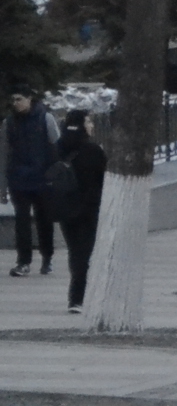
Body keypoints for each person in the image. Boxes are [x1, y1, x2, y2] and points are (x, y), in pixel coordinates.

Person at [52, 110, 105, 314]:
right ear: (82, 125)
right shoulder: (93, 150)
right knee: (84, 253)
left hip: (65, 209)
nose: (92, 125)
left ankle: (77, 296)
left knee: (75, 251)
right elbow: (103, 179)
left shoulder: (57, 148)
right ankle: (77, 298)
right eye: (89, 121)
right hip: (89, 209)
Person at [5, 86, 59, 276]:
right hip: (19, 179)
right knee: (22, 221)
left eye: (19, 99)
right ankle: (23, 261)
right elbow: (6, 152)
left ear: (29, 99)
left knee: (44, 220)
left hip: (43, 179)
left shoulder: (45, 118)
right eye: (13, 100)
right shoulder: (10, 122)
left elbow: (56, 144)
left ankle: (47, 257)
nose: (16, 103)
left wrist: (54, 173)